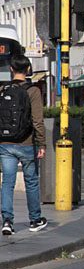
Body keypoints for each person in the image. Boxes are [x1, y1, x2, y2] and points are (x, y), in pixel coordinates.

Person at [0, 54, 47, 235]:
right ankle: (35, 220)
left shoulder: (3, 89)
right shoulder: (33, 90)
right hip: (27, 143)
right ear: (28, 70)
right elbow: (38, 121)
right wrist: (41, 144)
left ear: (11, 69)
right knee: (31, 182)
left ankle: (7, 222)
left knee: (7, 183)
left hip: (5, 143)